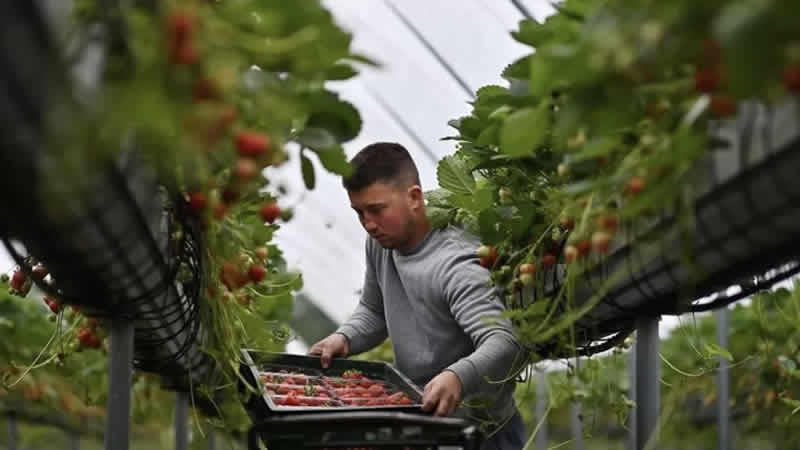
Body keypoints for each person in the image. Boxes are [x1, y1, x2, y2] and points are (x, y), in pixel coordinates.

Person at [309, 142, 526, 449]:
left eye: (377, 210)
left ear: (414, 197)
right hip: (424, 425)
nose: (368, 224)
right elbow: (374, 309)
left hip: (479, 434)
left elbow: (504, 340)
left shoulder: (454, 263)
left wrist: (457, 377)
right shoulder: (383, 242)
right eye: (359, 212)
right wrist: (343, 338)